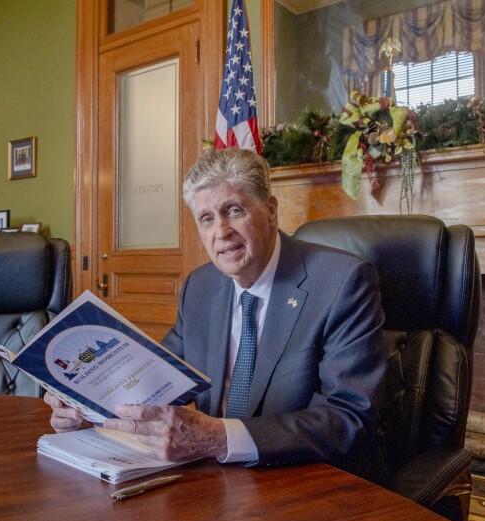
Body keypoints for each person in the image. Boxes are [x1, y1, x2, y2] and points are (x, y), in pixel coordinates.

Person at [46, 147, 387, 478]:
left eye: (235, 210)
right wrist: (88, 403)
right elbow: (156, 379)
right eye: (206, 219)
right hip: (218, 480)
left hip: (308, 480)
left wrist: (219, 437)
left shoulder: (341, 282)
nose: (221, 232)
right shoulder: (201, 287)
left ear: (270, 210)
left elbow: (349, 416)